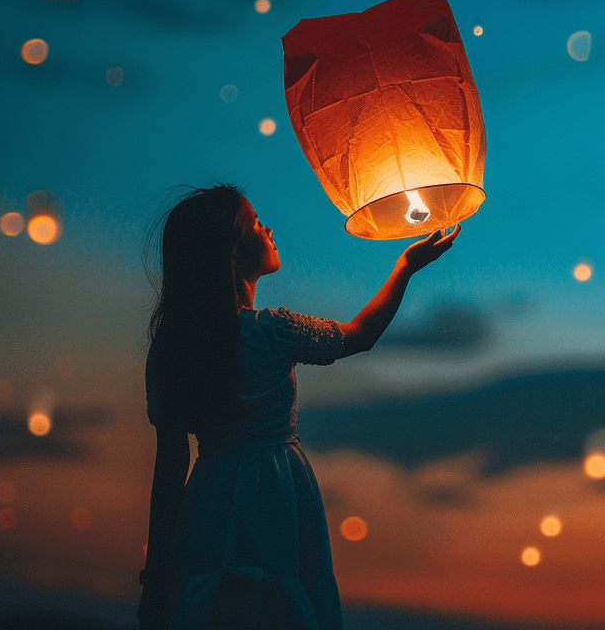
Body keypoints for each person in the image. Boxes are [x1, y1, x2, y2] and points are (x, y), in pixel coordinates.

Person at [138, 184, 458, 629]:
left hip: (211, 497)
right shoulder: (273, 332)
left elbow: (170, 464)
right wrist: (404, 268)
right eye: (253, 223)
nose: (266, 227)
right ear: (231, 252)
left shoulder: (175, 348)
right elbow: (359, 335)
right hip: (277, 493)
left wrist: (155, 579)